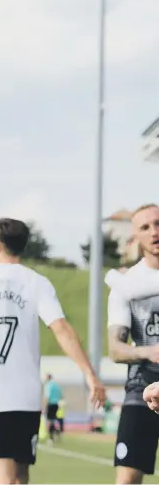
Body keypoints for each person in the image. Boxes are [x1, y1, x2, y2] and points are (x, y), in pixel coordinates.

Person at [0, 217, 106, 485]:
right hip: (25, 396)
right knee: (21, 478)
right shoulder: (36, 282)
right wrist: (89, 374)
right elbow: (62, 329)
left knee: (3, 479)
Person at [106, 204, 159, 485]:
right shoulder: (126, 283)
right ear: (135, 237)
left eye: (158, 224)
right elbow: (115, 348)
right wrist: (149, 351)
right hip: (141, 391)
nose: (154, 232)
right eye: (145, 227)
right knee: (126, 480)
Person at [43, 374, 62, 443]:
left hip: (50, 404)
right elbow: (61, 396)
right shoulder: (56, 386)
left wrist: (44, 406)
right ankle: (57, 432)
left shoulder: (48, 385)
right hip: (56, 404)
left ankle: (51, 438)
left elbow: (47, 396)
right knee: (53, 420)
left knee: (49, 421)